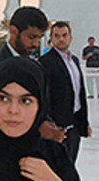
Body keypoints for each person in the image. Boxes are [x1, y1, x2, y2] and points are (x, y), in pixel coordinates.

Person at [0, 6, 50, 133]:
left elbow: (42, 109)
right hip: (1, 149)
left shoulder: (36, 67)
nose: (36, 44)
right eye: (31, 37)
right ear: (14, 31)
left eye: (39, 38)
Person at [38, 21, 91, 164]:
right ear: (51, 39)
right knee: (57, 167)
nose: (61, 39)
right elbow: (44, 96)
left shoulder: (74, 60)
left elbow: (78, 92)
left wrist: (84, 123)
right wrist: (49, 124)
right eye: (56, 36)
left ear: (70, 37)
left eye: (64, 35)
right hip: (57, 126)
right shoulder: (45, 62)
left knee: (70, 165)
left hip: (73, 124)